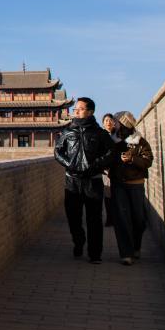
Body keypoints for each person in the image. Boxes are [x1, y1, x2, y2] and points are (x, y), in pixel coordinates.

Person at [54, 97, 116, 264]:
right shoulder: (68, 131)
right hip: (72, 181)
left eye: (80, 109)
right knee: (73, 217)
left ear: (90, 112)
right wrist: (69, 164)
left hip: (93, 181)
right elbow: (58, 151)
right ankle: (79, 241)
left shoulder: (99, 133)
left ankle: (95, 254)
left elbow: (111, 152)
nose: (76, 111)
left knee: (94, 219)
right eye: (75, 109)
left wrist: (96, 164)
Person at [109, 110, 154, 265]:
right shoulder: (112, 141)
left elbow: (148, 160)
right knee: (122, 219)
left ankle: (136, 246)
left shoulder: (140, 142)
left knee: (138, 219)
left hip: (136, 184)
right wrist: (116, 160)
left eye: (116, 121)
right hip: (118, 184)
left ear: (123, 124)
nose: (113, 124)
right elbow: (106, 158)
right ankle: (126, 253)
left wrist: (132, 159)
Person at [101, 113, 119, 227]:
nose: (108, 122)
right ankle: (110, 218)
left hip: (117, 169)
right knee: (107, 195)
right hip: (106, 171)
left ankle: (117, 218)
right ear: (103, 123)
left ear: (114, 123)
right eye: (106, 120)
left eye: (110, 120)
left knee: (117, 194)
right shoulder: (101, 135)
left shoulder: (118, 136)